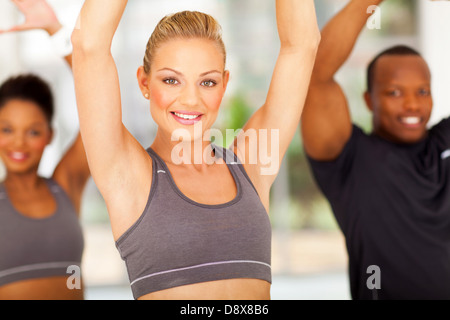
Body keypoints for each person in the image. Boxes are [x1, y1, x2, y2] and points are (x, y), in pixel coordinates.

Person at [71, 0, 320, 300]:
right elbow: (89, 45)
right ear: (144, 82)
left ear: (224, 84)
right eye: (171, 80)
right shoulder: (128, 176)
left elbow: (301, 45)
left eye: (208, 82)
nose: (191, 100)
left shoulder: (251, 165)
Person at [301, 0, 450, 300]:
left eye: (422, 91)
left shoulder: (444, 141)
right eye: (394, 92)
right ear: (369, 100)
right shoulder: (349, 158)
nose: (412, 104)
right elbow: (316, 72)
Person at [0, 0, 90, 300]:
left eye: (33, 131)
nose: (19, 143)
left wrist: (56, 31)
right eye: (7, 130)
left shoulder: (66, 185)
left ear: (50, 135)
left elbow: (99, 109)